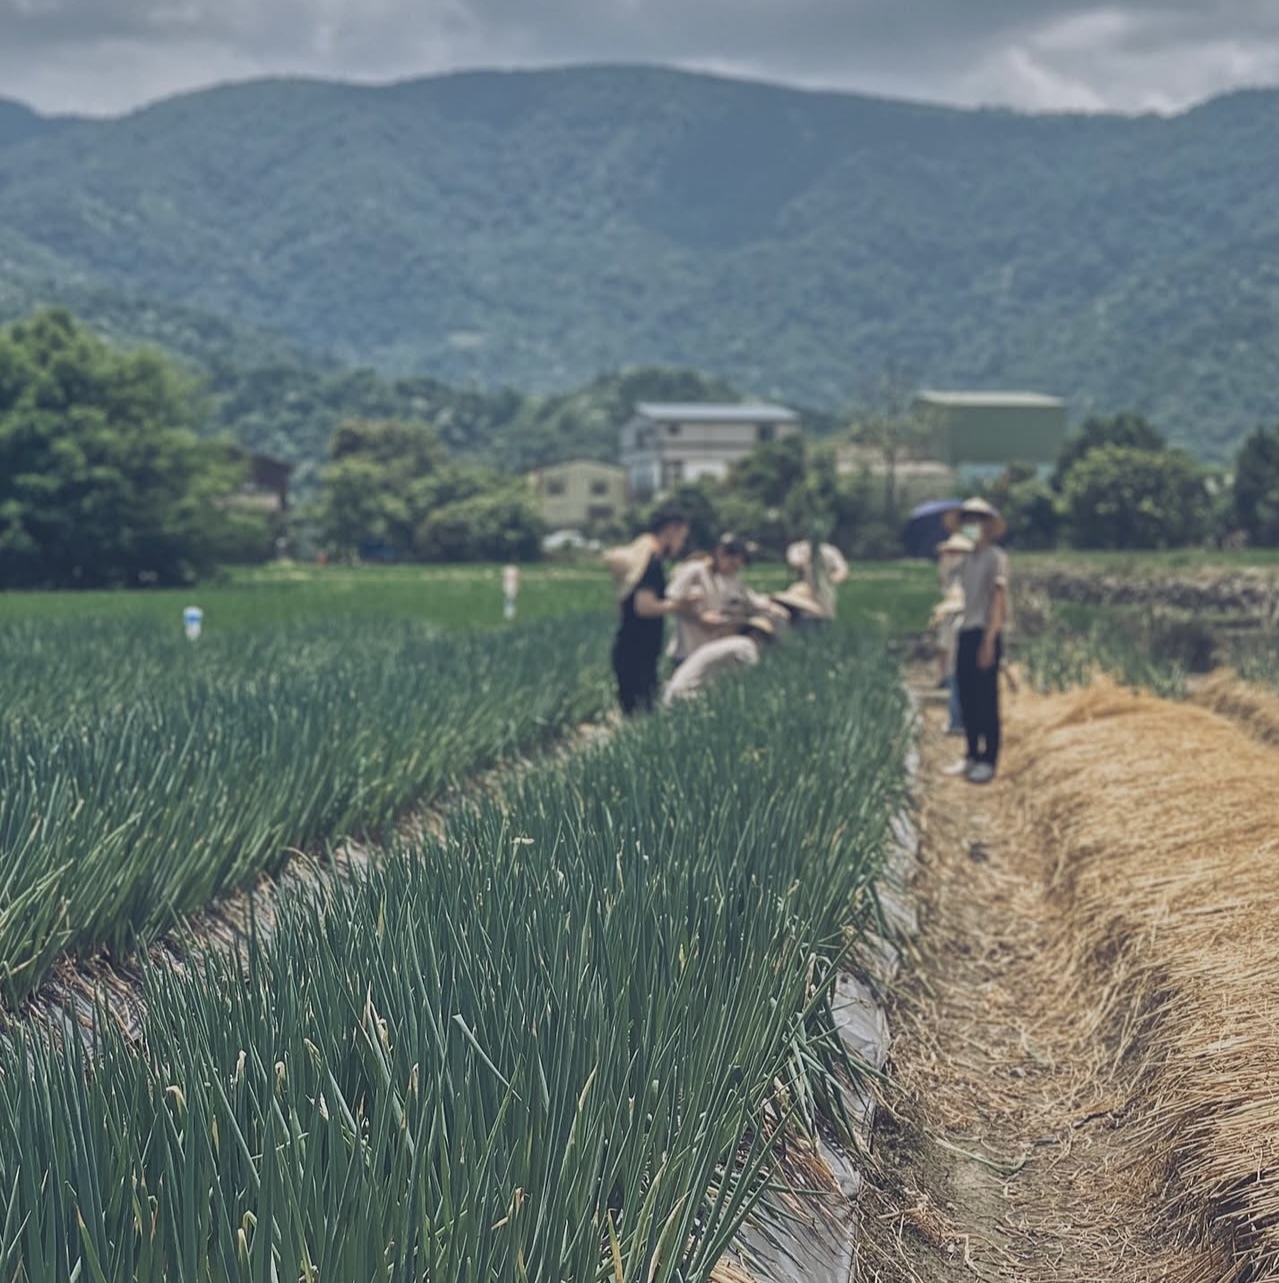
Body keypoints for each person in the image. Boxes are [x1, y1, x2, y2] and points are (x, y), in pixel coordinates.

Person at [604, 508, 697, 715]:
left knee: (637, 712)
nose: (682, 544)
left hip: (632, 649)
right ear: (671, 531)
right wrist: (680, 605)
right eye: (682, 537)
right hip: (638, 652)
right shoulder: (651, 564)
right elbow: (644, 607)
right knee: (641, 713)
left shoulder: (644, 561)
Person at [945, 499, 1009, 784]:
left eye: (977, 519)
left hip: (986, 632)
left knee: (987, 700)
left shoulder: (996, 557)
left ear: (987, 525)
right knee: (968, 695)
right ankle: (971, 753)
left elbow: (998, 599)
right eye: (967, 520)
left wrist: (989, 641)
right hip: (967, 631)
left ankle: (988, 758)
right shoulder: (967, 561)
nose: (972, 525)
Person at [667, 533, 778, 665]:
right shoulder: (694, 570)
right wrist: (699, 618)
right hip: (687, 650)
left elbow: (751, 600)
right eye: (732, 562)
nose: (736, 567)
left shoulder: (726, 579)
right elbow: (671, 601)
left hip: (708, 651)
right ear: (720, 553)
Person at [662, 615, 777, 705]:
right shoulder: (746, 646)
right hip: (687, 697)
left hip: (675, 693)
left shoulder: (732, 644)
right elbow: (752, 679)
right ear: (756, 634)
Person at [930, 533, 974, 735]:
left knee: (956, 674)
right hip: (951, 623)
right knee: (953, 672)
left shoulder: (964, 576)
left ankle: (958, 721)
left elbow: (960, 601)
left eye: (954, 552)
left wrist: (942, 612)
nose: (948, 556)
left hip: (959, 623)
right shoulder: (951, 575)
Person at [785, 540, 850, 619]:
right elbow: (796, 563)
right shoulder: (797, 549)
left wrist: (826, 581)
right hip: (803, 588)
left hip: (824, 590)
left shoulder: (830, 550)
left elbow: (842, 570)